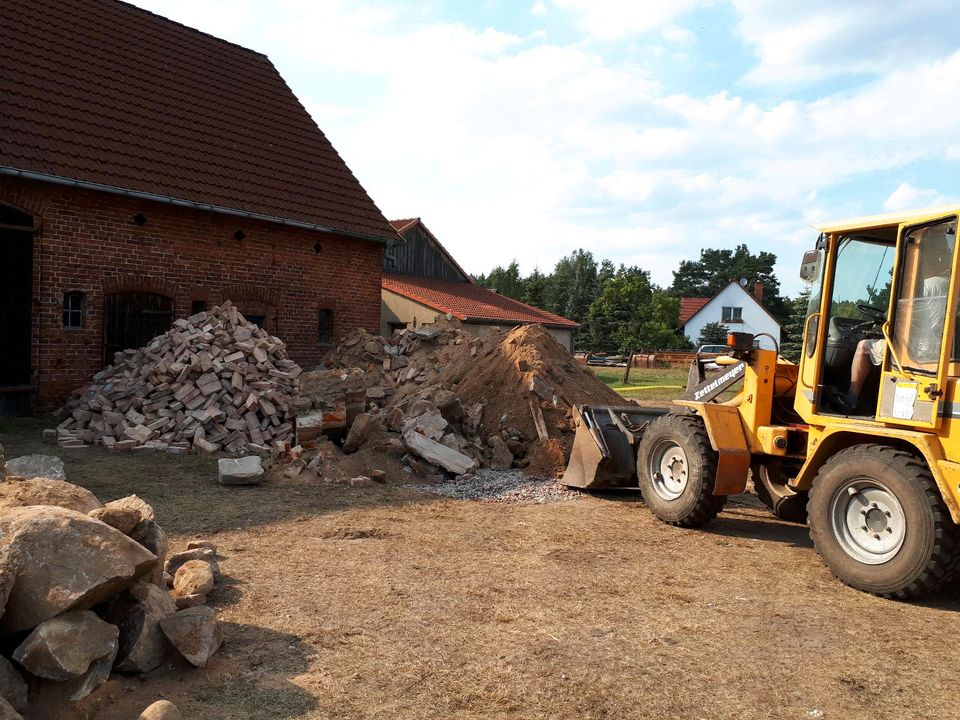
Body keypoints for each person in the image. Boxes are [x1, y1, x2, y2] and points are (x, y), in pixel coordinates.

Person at [839, 243, 950, 414]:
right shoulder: (950, 284)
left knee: (863, 346)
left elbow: (895, 315)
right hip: (942, 348)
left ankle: (852, 397)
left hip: (917, 348)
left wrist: (885, 315)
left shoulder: (923, 286)